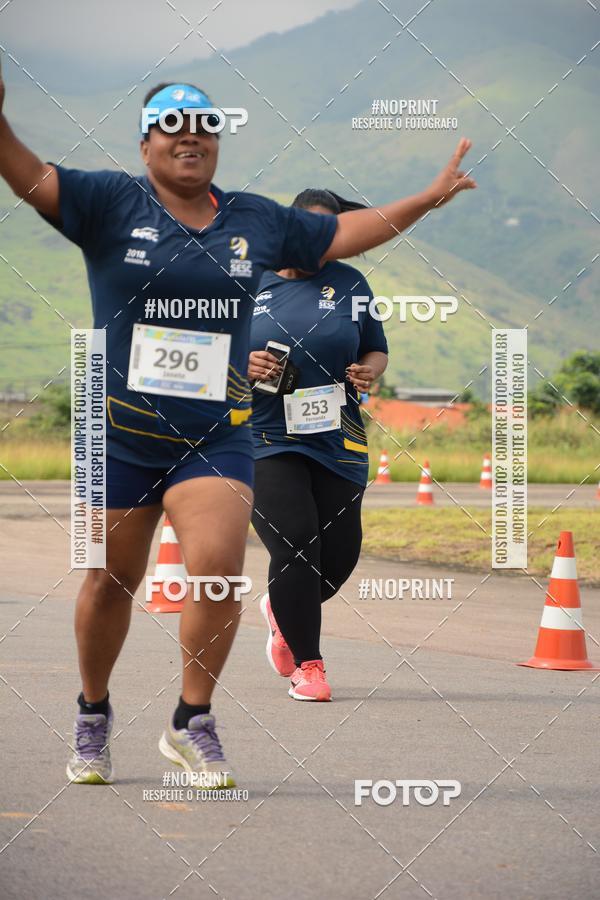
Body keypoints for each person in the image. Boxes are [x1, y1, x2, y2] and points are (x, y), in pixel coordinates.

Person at [0, 69, 476, 784]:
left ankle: (193, 721)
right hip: (121, 436)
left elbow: (347, 230)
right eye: (173, 125)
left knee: (220, 573)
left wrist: (427, 201)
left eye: (206, 127)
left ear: (218, 144)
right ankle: (93, 712)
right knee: (108, 583)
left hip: (218, 435)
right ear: (146, 142)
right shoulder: (107, 201)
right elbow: (32, 178)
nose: (191, 136)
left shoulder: (256, 219)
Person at [248, 189, 388, 701]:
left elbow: (376, 347)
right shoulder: (248, 279)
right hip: (262, 435)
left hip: (338, 436)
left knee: (341, 555)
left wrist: (368, 371)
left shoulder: (351, 282)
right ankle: (309, 665)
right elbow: (205, 343)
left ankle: (281, 611)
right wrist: (240, 366)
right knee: (297, 541)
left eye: (330, 232)